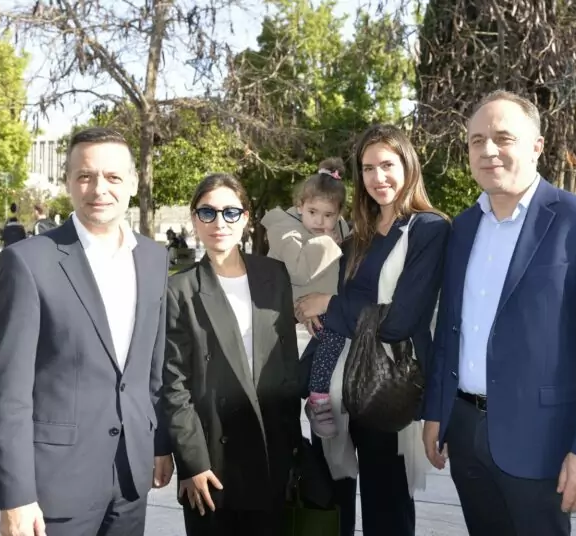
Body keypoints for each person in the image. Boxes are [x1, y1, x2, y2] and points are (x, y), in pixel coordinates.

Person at [423, 90, 576, 536]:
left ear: (537, 146)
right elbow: (450, 331)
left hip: (542, 441)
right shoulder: (462, 227)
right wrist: (437, 412)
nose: (488, 150)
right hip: (465, 432)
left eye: (503, 138)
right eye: (477, 140)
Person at [0, 127, 174, 536]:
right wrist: (14, 494)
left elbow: (152, 368)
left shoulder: (155, 258)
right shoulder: (27, 262)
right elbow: (8, 391)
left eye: (113, 176)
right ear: (68, 181)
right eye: (85, 176)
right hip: (55, 486)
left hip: (131, 478)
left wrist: (160, 444)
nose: (99, 189)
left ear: (133, 183)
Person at [295, 125, 450, 536]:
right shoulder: (355, 237)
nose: (377, 177)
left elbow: (400, 320)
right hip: (333, 388)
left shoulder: (429, 229)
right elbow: (324, 295)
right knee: (332, 503)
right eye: (367, 168)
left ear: (408, 166)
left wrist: (328, 306)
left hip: (387, 387)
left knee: (387, 508)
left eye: (387, 165)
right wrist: (310, 308)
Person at [162, 174, 302, 535]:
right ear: (194, 219)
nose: (219, 222)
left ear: (246, 218)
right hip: (212, 459)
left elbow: (287, 364)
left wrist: (292, 447)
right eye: (207, 212)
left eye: (230, 212)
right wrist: (192, 462)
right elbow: (174, 385)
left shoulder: (274, 275)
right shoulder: (179, 289)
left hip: (271, 451)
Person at [260, 157, 350, 438]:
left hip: (321, 307)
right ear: (300, 206)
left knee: (336, 338)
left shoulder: (339, 229)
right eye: (313, 212)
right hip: (281, 310)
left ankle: (313, 390)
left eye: (329, 215)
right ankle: (317, 398)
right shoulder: (284, 228)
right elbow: (298, 271)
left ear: (339, 214)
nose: (320, 221)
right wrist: (327, 242)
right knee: (329, 339)